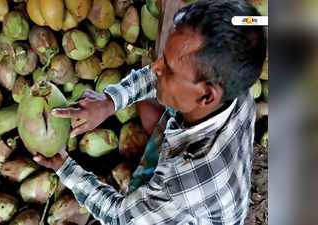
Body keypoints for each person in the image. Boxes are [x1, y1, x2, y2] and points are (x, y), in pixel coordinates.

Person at [33, 0, 267, 224]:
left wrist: (64, 167)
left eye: (169, 68)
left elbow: (119, 218)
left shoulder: (181, 185)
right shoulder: (235, 87)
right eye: (163, 57)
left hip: (195, 206)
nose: (155, 67)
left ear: (206, 95)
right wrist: (109, 101)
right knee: (150, 109)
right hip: (202, 178)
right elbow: (245, 22)